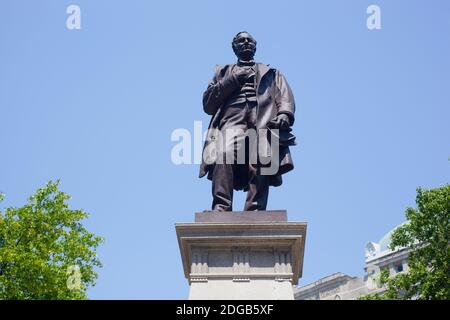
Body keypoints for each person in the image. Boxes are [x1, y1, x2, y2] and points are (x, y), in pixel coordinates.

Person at [199, 31, 296, 211]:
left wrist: (284, 114)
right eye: (241, 41)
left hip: (263, 117)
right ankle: (221, 206)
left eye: (249, 40)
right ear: (234, 47)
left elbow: (285, 96)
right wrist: (234, 79)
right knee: (224, 153)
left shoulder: (272, 73)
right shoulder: (223, 72)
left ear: (255, 46)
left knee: (261, 158)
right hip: (232, 117)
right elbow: (208, 104)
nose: (245, 43)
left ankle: (256, 208)